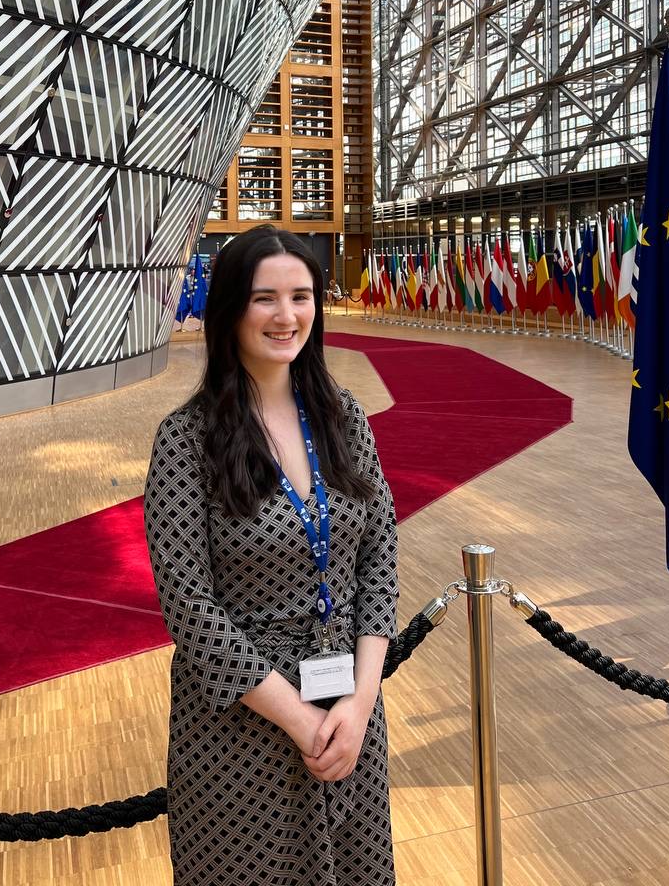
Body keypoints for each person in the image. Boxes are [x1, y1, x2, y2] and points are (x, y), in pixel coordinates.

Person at [145, 225, 399, 885]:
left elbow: (380, 557)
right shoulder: (186, 440)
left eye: (301, 296)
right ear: (229, 309)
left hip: (348, 714)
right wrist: (297, 717)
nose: (287, 316)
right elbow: (189, 605)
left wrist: (361, 702)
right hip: (240, 727)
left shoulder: (346, 419)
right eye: (265, 299)